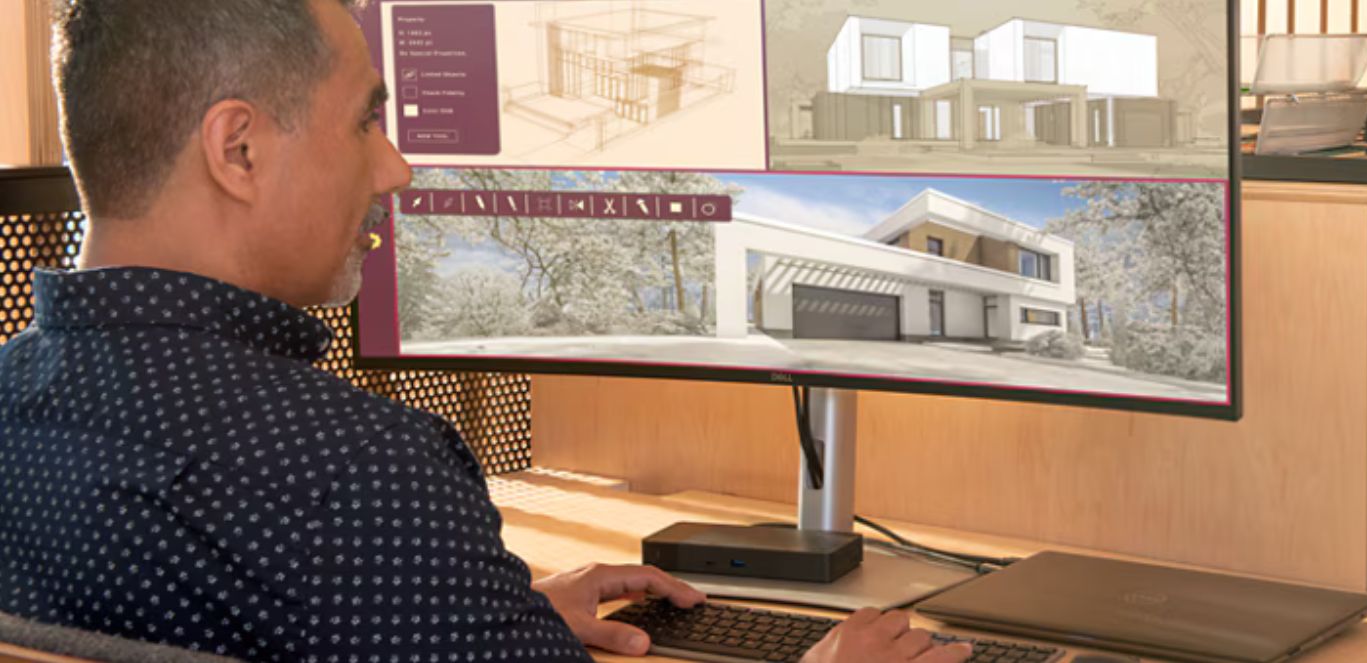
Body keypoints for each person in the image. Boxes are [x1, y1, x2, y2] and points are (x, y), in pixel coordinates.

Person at [0, 1, 971, 661]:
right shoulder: (359, 474)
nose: (396, 171)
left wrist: (484, 618)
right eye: (366, 122)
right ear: (239, 149)